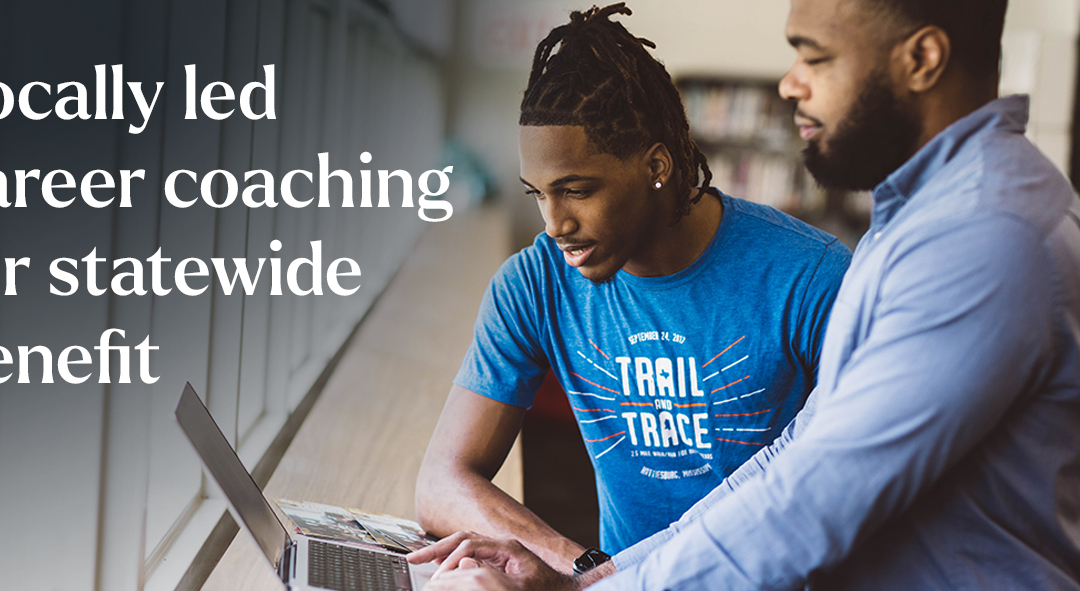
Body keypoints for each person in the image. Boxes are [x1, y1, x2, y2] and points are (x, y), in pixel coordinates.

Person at [409, 0, 1080, 588]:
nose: (790, 83)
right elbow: (797, 455)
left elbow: (811, 500)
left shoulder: (983, 239)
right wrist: (603, 571)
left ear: (923, 58)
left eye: (814, 56)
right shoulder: (916, 222)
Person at [414, 2, 852, 575]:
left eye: (576, 189)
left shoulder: (812, 277)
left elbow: (851, 487)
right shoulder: (535, 282)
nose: (554, 224)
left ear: (657, 165)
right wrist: (590, 570)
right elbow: (442, 481)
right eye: (537, 194)